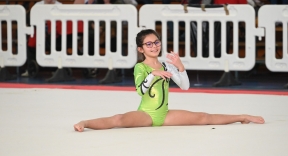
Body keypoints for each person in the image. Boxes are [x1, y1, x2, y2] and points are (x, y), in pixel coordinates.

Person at [73, 29, 265, 132]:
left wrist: (180, 67)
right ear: (141, 49)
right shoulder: (141, 67)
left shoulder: (166, 65)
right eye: (149, 44)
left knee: (204, 117)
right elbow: (141, 91)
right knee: (118, 120)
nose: (154, 46)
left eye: (156, 42)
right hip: (146, 114)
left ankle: (242, 117)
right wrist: (152, 75)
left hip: (165, 114)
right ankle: (86, 122)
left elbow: (186, 86)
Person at [22, 0, 62, 77]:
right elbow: (31, 21)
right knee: (29, 43)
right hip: (39, 32)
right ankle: (30, 68)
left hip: (56, 34)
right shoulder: (37, 6)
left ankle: (55, 69)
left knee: (57, 43)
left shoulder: (59, 6)